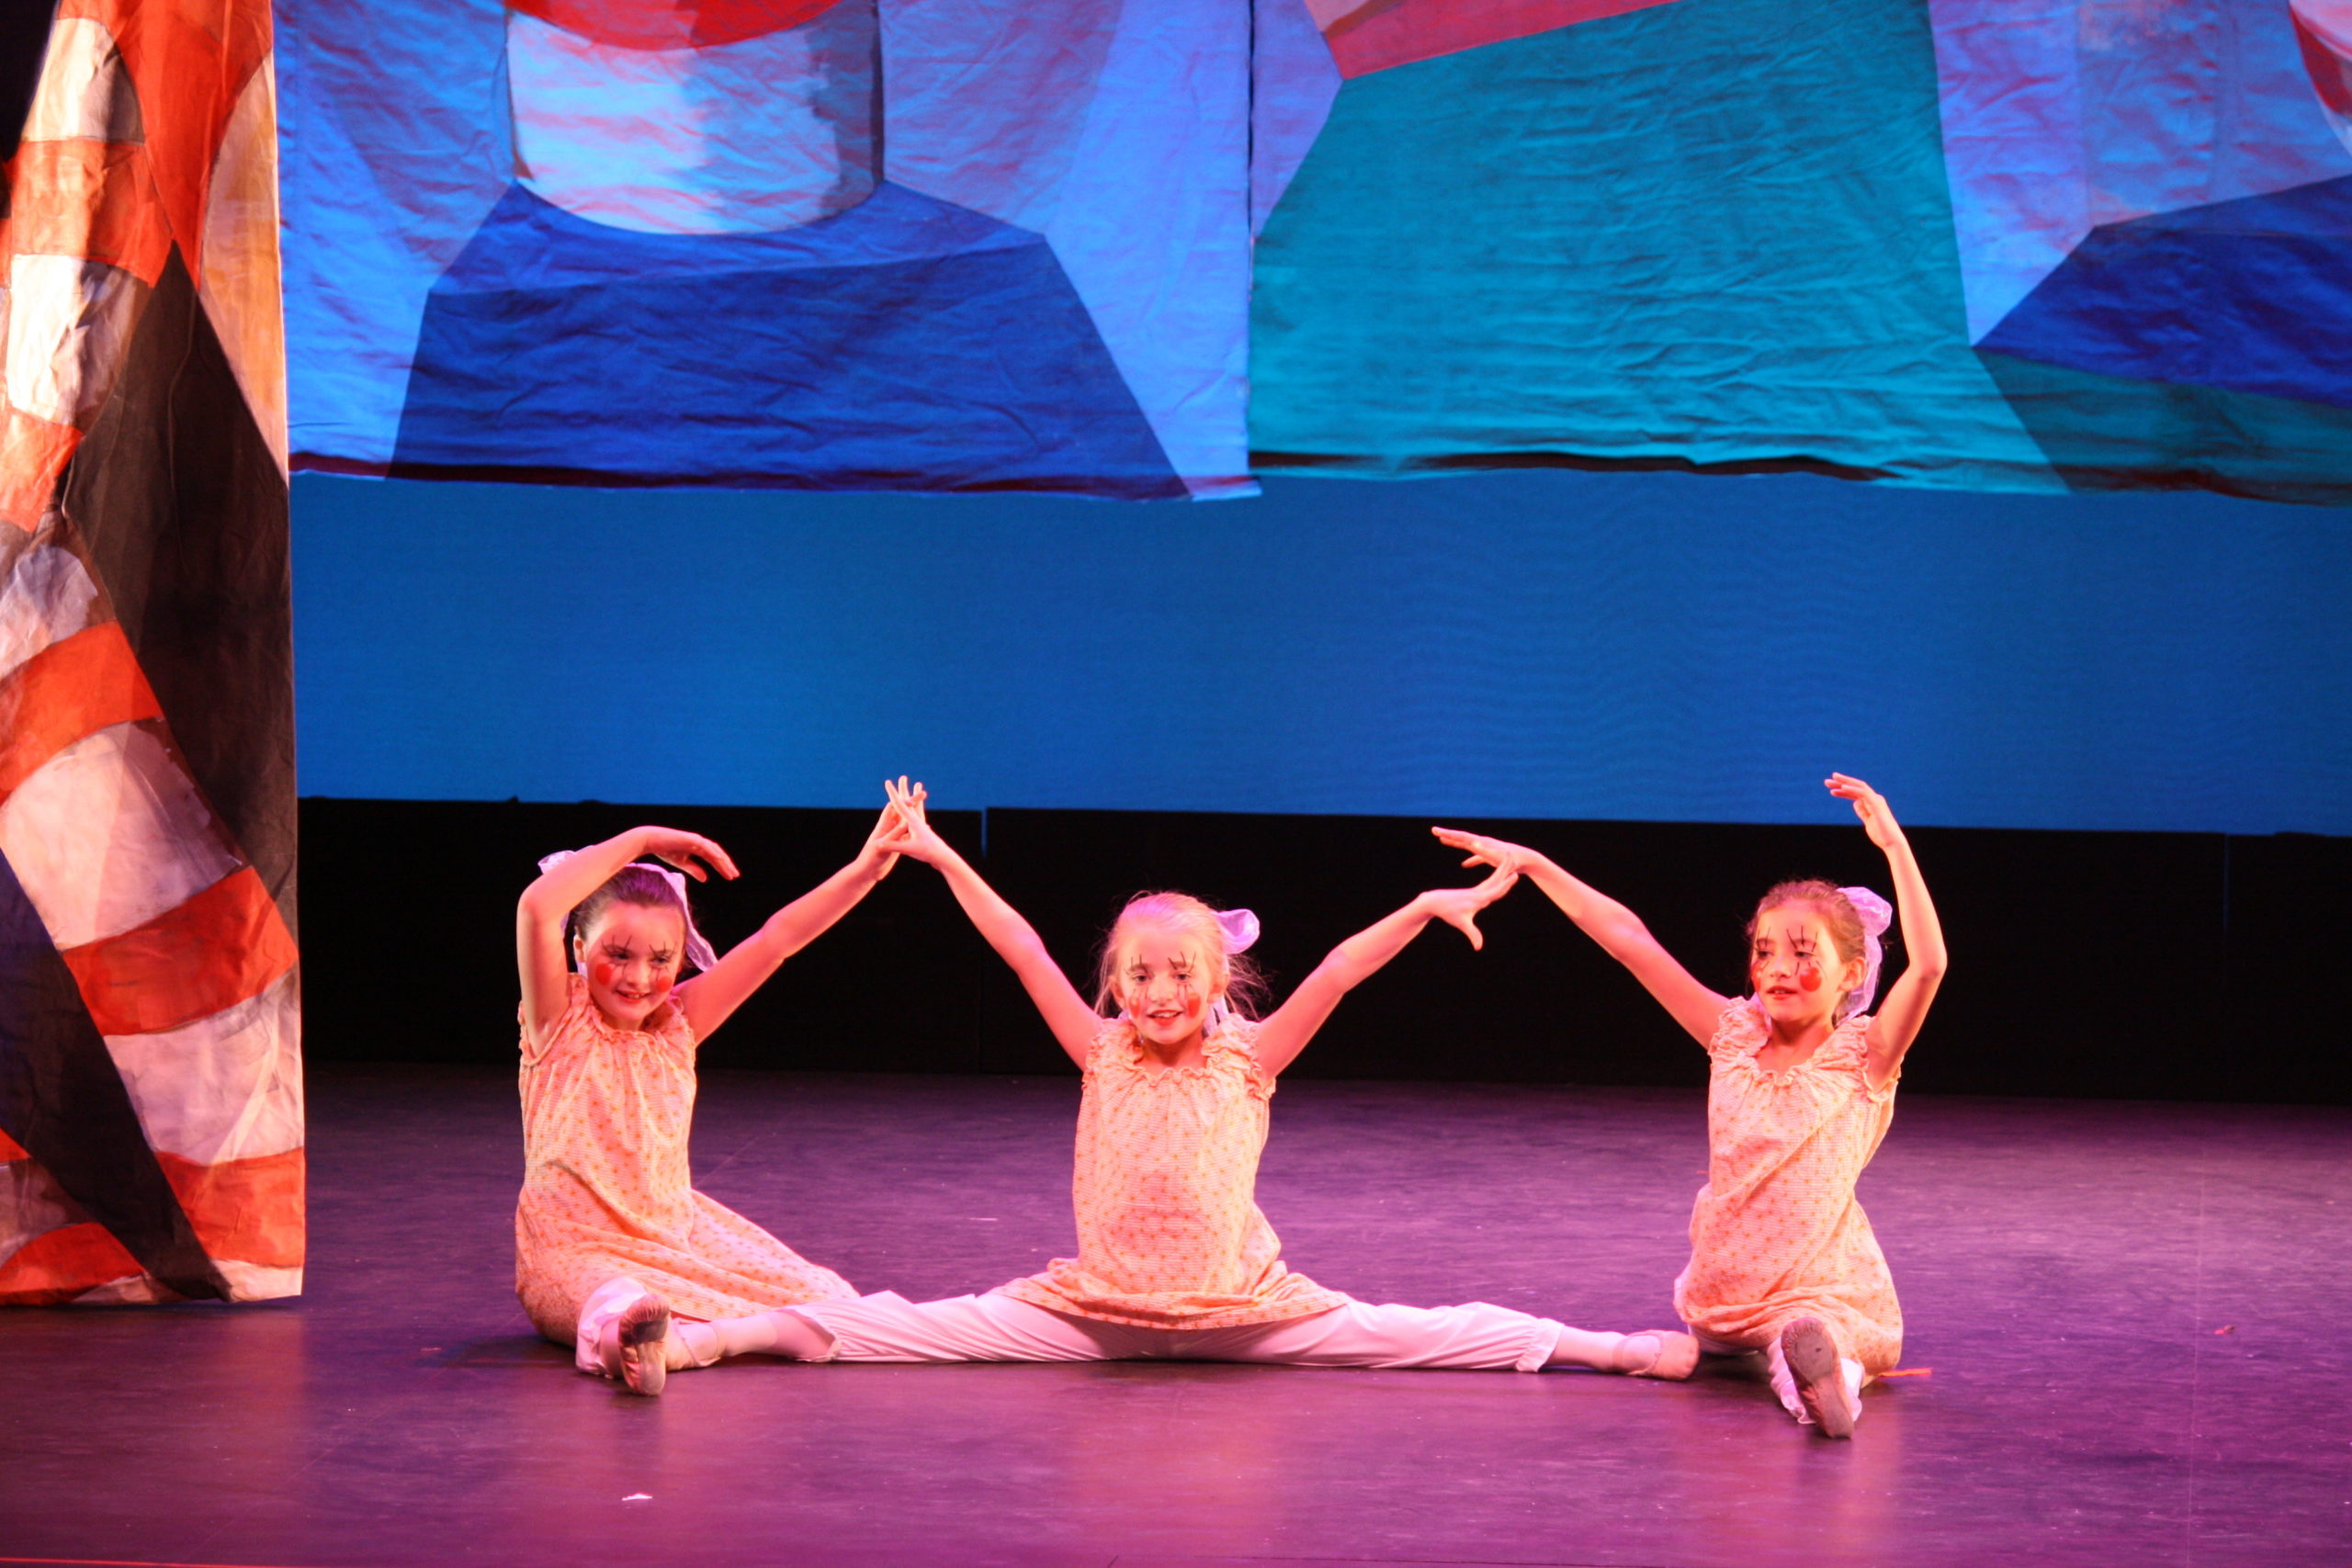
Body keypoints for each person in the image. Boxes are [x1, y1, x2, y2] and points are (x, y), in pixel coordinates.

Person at [684, 779, 1700, 1380]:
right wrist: (943, 857)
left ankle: (1605, 1349)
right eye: (1138, 975)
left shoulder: (1245, 1058)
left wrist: (1424, 908)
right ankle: (729, 1336)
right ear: (1114, 982)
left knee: (1413, 1332)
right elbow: (1020, 945)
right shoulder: (1097, 1049)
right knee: (910, 1325)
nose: (1158, 992)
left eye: (1179, 975)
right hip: (1097, 1314)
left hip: (1242, 1314)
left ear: (1216, 979)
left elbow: (1339, 968)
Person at [1433, 773, 1947, 1437]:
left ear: (1851, 974)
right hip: (1725, 1291)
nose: (1779, 969)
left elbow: (1929, 964)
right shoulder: (1731, 1036)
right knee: (1781, 1338)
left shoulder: (1865, 1056)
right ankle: (1811, 1367)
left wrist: (1893, 843)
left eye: (1801, 953)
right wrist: (1536, 865)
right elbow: (1630, 940)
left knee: (1814, 1339)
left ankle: (1826, 1383)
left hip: (1818, 1288)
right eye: (1765, 952)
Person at [514, 808, 902, 1394]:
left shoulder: (678, 1025)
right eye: (617, 954)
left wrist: (864, 871)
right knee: (614, 1298)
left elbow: (778, 941)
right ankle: (636, 1343)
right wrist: (642, 839)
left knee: (828, 1298)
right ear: (578, 948)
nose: (639, 977)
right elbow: (538, 908)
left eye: (661, 959)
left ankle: (696, 1339)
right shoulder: (556, 1021)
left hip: (674, 1233)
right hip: (574, 1242)